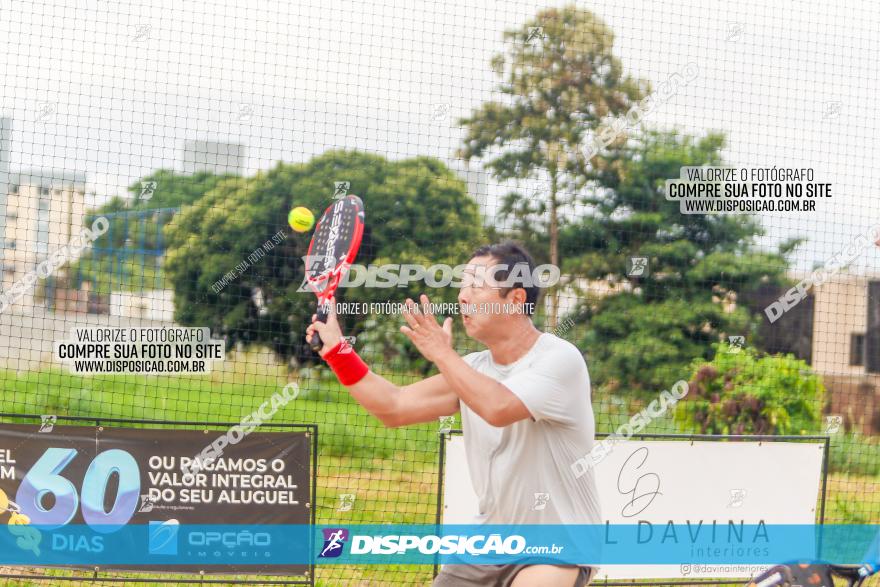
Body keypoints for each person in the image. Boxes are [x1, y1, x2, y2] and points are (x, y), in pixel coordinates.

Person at [306, 242, 601, 587]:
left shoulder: (559, 359)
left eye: (477, 285)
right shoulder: (472, 369)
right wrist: (339, 352)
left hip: (557, 544)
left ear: (517, 299)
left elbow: (498, 407)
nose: (463, 296)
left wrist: (441, 354)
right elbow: (395, 406)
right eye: (462, 285)